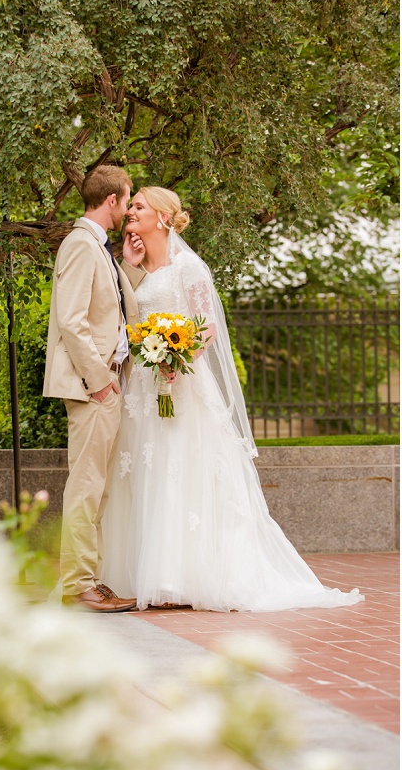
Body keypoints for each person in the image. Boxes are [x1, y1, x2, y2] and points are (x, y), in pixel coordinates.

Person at [99, 187, 363, 611]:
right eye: (130, 205)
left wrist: (177, 356)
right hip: (145, 389)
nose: (130, 211)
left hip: (182, 383)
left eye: (139, 206)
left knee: (183, 471)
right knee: (148, 471)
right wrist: (130, 269)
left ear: (163, 217)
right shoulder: (134, 267)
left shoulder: (189, 268)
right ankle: (149, 575)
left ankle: (184, 576)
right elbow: (126, 321)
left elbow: (206, 328)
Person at [44, 165, 146, 612]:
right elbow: (71, 320)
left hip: (104, 386)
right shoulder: (80, 245)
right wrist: (100, 383)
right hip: (93, 388)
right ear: (112, 201)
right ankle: (77, 585)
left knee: (97, 488)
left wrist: (129, 266)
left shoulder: (98, 247)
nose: (128, 209)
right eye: (127, 201)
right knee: (86, 486)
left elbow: (115, 309)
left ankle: (88, 579)